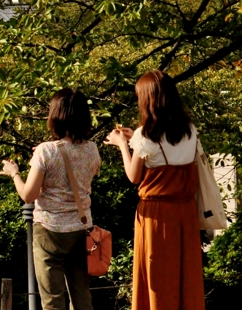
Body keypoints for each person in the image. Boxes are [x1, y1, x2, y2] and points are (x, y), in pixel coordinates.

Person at [104, 70, 206, 310]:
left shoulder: (146, 134)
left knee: (157, 275)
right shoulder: (189, 130)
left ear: (148, 100)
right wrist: (134, 141)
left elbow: (133, 176)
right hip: (185, 212)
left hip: (157, 216)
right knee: (186, 274)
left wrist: (122, 145)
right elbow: (167, 152)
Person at [1, 88, 101, 310]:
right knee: (82, 296)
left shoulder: (46, 151)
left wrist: (14, 173)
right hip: (81, 229)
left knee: (52, 299)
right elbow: (81, 173)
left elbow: (28, 194)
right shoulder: (92, 149)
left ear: (55, 115)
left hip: (49, 231)